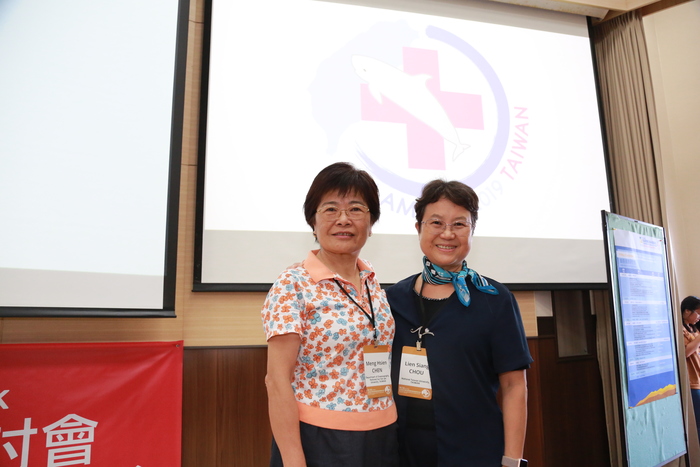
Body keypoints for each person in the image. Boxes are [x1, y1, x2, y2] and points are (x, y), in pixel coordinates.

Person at [386, 179, 533, 467]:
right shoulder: (393, 299)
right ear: (419, 229)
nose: (447, 234)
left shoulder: (494, 299)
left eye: (459, 224)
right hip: (402, 453)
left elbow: (515, 386)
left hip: (474, 452)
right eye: (436, 223)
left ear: (472, 231)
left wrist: (512, 461)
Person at [261, 162, 398, 467]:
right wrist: (294, 460)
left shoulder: (372, 282)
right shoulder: (292, 284)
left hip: (383, 435)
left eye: (356, 209)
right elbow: (277, 380)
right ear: (313, 221)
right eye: (331, 209)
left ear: (371, 222)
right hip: (320, 438)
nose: (344, 220)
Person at [681, 295, 700, 442]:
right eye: (698, 313)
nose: (699, 317)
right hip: (692, 382)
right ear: (687, 311)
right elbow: (686, 352)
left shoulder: (694, 329)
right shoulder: (680, 330)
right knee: (697, 423)